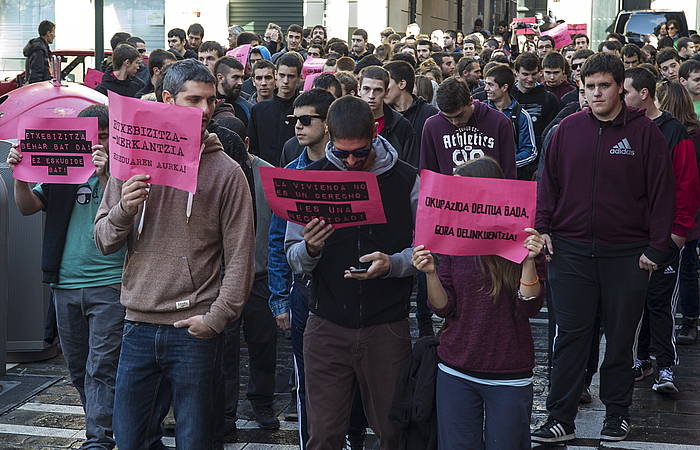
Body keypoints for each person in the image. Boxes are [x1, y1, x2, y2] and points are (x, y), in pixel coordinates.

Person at [94, 59, 255, 449]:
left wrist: (215, 319)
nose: (205, 111)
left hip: (194, 329)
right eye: (194, 100)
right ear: (168, 99)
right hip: (137, 324)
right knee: (131, 440)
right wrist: (124, 209)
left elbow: (240, 256)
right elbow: (102, 239)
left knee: (196, 440)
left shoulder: (226, 172)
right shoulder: (130, 159)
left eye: (211, 101)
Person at [532, 53, 676, 443]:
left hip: (628, 255)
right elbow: (548, 184)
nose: (596, 93)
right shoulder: (566, 130)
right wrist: (542, 226)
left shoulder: (646, 134)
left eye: (604, 86)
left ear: (619, 87)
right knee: (570, 339)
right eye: (589, 86)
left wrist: (656, 249)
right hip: (571, 251)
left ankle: (617, 413)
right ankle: (559, 417)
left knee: (620, 338)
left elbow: (664, 196)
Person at [285, 95, 419, 450]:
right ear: (329, 137)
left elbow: (425, 250)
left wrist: (393, 264)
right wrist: (311, 248)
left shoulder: (406, 179)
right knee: (324, 434)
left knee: (394, 431)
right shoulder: (311, 178)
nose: (351, 162)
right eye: (342, 153)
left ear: (374, 135)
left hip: (386, 324)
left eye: (359, 153)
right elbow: (292, 256)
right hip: (327, 321)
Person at [7, 104, 123, 449]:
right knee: (77, 367)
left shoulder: (124, 172)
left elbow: (126, 215)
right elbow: (27, 207)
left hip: (110, 282)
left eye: (105, 138)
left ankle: (99, 438)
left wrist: (106, 175)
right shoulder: (62, 169)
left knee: (102, 367)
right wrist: (21, 174)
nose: (98, 145)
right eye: (93, 138)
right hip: (65, 284)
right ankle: (102, 423)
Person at [413, 158, 544, 449]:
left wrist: (529, 261)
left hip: (509, 371)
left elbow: (528, 306)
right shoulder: (451, 239)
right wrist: (431, 274)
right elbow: (443, 308)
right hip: (457, 369)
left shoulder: (522, 237)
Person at [624, 71, 700, 394]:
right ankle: (639, 360)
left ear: (643, 93)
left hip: (665, 234)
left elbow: (687, 185)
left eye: (624, 90)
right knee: (632, 302)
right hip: (628, 234)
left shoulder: (674, 131)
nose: (618, 96)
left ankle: (665, 367)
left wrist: (679, 231)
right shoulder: (623, 127)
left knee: (660, 302)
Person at [656, 81, 700, 345]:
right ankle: (688, 320)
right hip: (685, 214)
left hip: (684, 213)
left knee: (683, 270)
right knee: (684, 269)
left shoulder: (685, 135)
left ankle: (688, 319)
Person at [420, 77, 516, 178]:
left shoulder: (500, 122)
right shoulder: (432, 126)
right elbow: (427, 173)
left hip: (490, 191)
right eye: (448, 117)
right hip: (449, 192)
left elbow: (509, 171)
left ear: (470, 100)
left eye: (459, 115)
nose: (455, 122)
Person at [358, 65, 419, 167]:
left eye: (378, 90)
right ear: (359, 89)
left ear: (386, 92)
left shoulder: (402, 125)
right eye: (366, 89)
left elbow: (411, 168)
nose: (371, 95)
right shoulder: (347, 122)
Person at [248, 52, 302, 166]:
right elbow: (253, 148)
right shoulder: (259, 110)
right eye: (282, 75)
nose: (286, 81)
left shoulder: (303, 110)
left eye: (291, 76)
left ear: (299, 78)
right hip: (264, 172)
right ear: (276, 75)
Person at [511, 52, 560, 174]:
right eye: (525, 74)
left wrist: (542, 166)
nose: (530, 79)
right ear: (516, 72)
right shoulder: (507, 95)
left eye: (534, 74)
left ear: (540, 72)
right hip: (511, 158)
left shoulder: (549, 99)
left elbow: (551, 135)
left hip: (537, 163)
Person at [484, 64, 537, 176]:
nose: (486, 89)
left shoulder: (521, 116)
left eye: (490, 85)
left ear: (504, 87)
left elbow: (530, 151)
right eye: (485, 84)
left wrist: (505, 164)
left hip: (509, 178)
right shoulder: (481, 111)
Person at [214, 56, 253, 126]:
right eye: (235, 77)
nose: (240, 82)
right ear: (220, 78)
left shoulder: (247, 108)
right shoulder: (207, 104)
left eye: (242, 78)